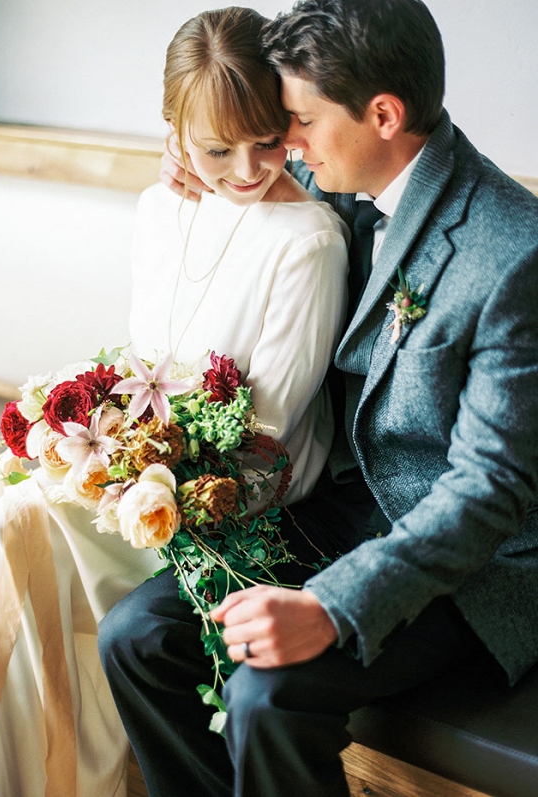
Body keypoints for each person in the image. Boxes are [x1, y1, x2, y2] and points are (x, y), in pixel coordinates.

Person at [99, 1, 538, 796]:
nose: (285, 146)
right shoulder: (337, 170)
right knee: (135, 636)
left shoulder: (513, 251)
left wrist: (331, 605)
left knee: (264, 693)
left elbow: (491, 491)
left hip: (471, 567)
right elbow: (242, 163)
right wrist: (183, 156)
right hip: (344, 507)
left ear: (382, 113)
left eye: (296, 121)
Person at [0, 7, 349, 797]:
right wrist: (92, 442)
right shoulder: (162, 207)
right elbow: (144, 363)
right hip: (140, 481)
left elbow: (271, 444)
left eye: (267, 139)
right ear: (174, 131)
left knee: (18, 529)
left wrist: (140, 475)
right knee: (11, 520)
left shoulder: (309, 242)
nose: (245, 169)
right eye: (215, 147)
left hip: (228, 508)